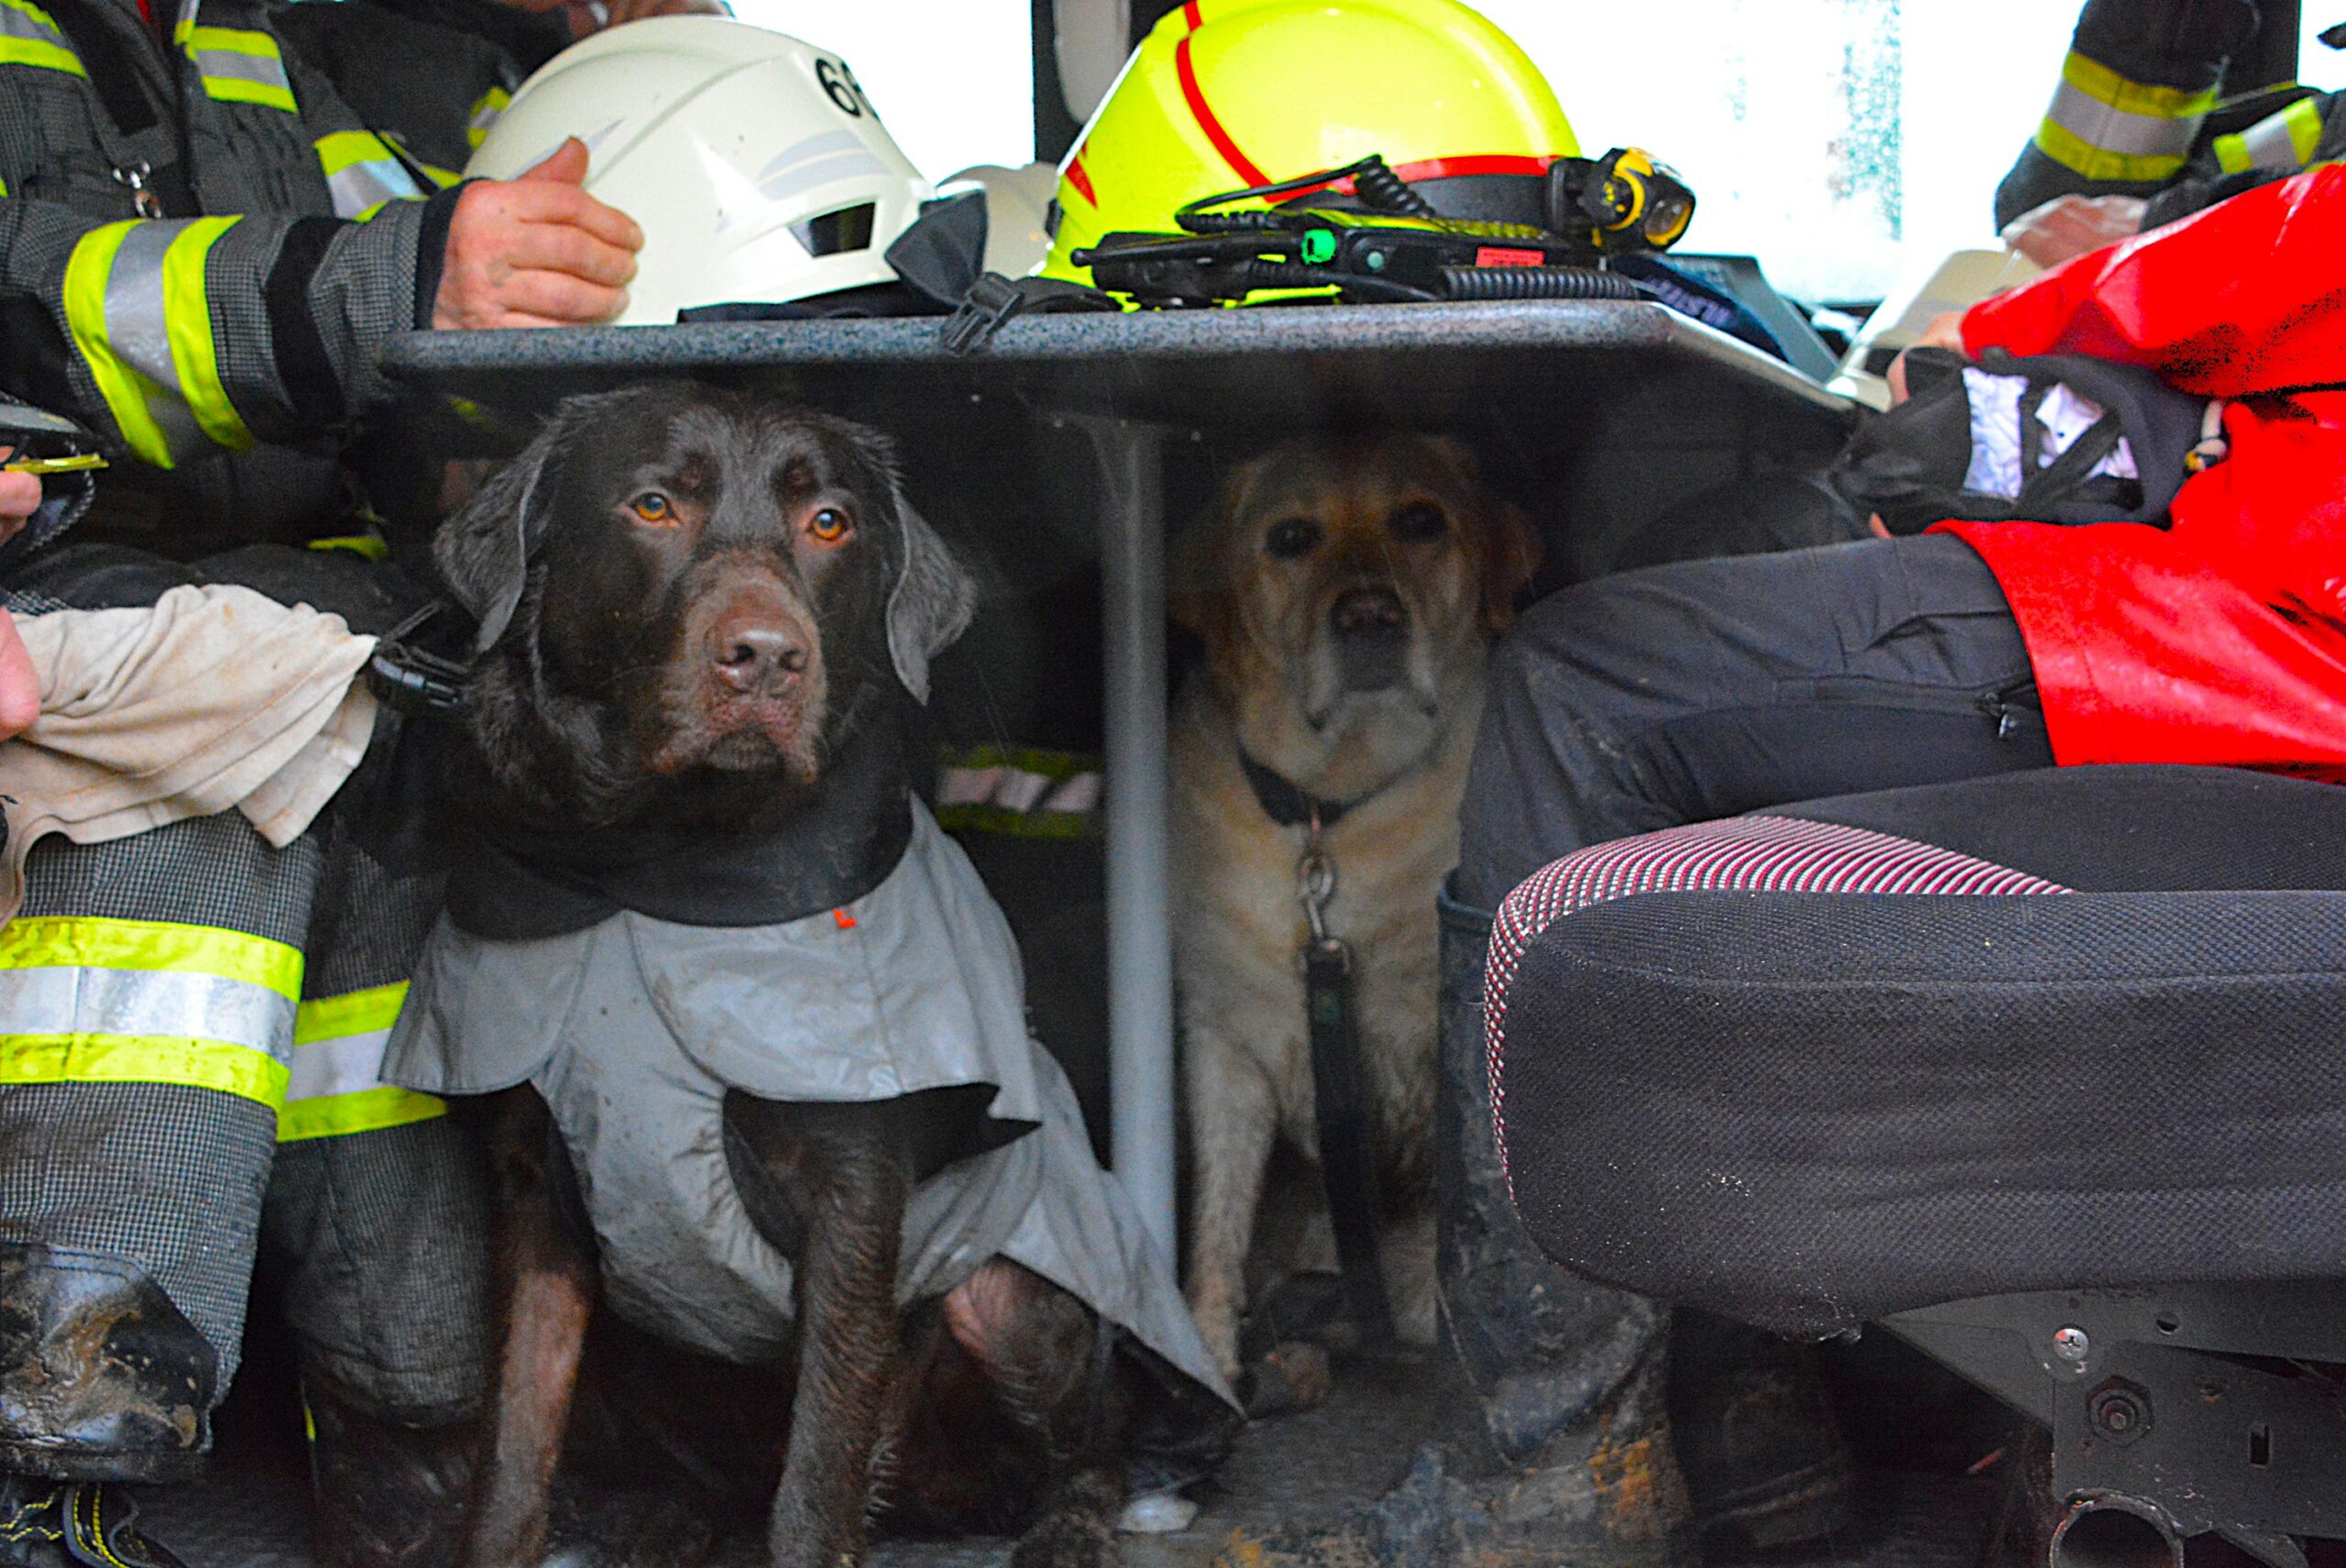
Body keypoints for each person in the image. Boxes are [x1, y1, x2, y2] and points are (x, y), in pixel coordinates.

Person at [1231, 159, 2346, 1568]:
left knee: (1580, 683)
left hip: (2260, 630)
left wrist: (2031, 304)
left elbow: (2220, 273)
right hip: (2275, 609)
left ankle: (1546, 1475)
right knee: (1718, 620)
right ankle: (1746, 1418)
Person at [0, 4, 644, 1563]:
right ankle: (61, 1472)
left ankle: (407, 1435)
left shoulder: (259, 46)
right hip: (64, 584)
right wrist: (397, 284)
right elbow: (42, 292)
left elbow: (423, 248)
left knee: (399, 763)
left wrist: (518, 285)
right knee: (212, 777)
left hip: (305, 610)